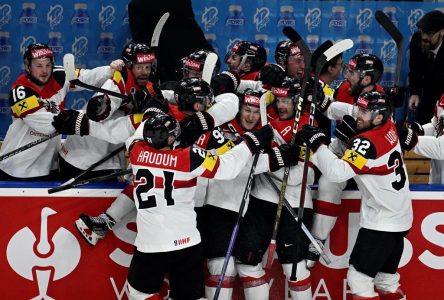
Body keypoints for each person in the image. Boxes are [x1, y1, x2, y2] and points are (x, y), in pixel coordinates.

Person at [56, 78, 239, 245]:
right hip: (185, 194)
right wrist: (82, 123)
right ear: (198, 105)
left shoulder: (160, 116)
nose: (210, 103)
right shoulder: (170, 118)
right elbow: (120, 128)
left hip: (179, 193)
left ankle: (106, 221)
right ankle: (106, 222)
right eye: (207, 100)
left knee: (141, 182)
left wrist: (82, 123)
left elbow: (231, 101)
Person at [125, 111, 273, 300]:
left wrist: (152, 113)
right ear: (171, 138)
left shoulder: (136, 152)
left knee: (139, 293)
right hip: (188, 243)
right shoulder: (190, 157)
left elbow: (137, 135)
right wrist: (251, 141)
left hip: (152, 244)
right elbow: (228, 167)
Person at [299, 91, 412, 299]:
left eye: (364, 112)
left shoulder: (367, 143)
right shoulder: (389, 126)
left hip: (382, 222)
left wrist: (317, 143)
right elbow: (350, 111)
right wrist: (325, 103)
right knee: (386, 281)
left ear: (378, 117)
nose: (358, 114)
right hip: (400, 218)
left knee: (359, 279)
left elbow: (336, 173)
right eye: (359, 108)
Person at [203, 89, 300, 300]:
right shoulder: (222, 130)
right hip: (217, 206)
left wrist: (281, 154)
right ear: (238, 110)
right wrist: (276, 158)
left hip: (246, 209)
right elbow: (233, 165)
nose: (250, 116)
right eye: (247, 110)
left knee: (249, 267)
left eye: (256, 112)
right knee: (222, 268)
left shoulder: (265, 132)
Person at [234, 77, 315, 300]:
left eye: (288, 100)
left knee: (295, 270)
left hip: (295, 203)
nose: (282, 105)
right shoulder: (263, 114)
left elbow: (300, 176)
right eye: (278, 99)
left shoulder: (307, 125)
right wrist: (275, 160)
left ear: (297, 101)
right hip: (260, 201)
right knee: (247, 264)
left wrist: (268, 164)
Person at [0, 43, 121, 180]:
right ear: (28, 67)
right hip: (18, 169)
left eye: (48, 65)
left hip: (50, 166)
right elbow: (46, 125)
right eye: (38, 66)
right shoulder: (20, 92)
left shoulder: (60, 75)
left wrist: (111, 70)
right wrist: (76, 119)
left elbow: (88, 77)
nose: (44, 71)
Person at [58, 42, 161, 180]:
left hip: (106, 159)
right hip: (81, 160)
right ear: (129, 66)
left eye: (147, 67)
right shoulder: (118, 81)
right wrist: (103, 106)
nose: (145, 72)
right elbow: (106, 103)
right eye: (139, 67)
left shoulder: (147, 87)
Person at [128, 0, 213, 83]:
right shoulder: (138, 4)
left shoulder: (137, 4)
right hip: (173, 67)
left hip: (176, 66)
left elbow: (141, 45)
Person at [408, 10, 444, 125]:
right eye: (423, 31)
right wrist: (415, 92)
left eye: (430, 33)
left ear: (442, 32)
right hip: (425, 100)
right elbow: (415, 70)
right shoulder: (417, 40)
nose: (424, 37)